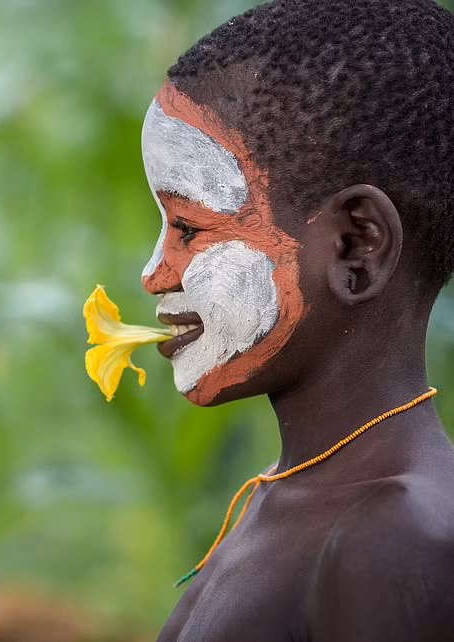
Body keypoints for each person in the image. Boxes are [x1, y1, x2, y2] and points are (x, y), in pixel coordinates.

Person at [138, 0, 454, 639]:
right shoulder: (284, 500)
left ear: (354, 247)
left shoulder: (395, 539)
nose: (154, 273)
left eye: (191, 229)